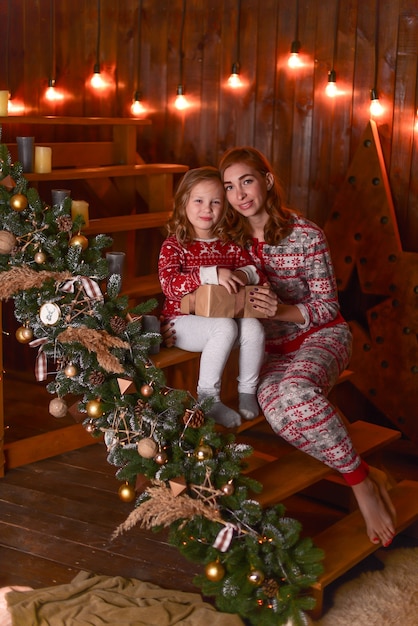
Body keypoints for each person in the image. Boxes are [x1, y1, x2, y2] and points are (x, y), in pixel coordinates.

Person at [217, 146, 396, 548]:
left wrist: (279, 309)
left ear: (266, 179)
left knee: (297, 393)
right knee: (280, 411)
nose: (240, 194)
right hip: (272, 352)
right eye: (229, 187)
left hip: (322, 336)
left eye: (246, 181)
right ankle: (368, 472)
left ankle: (362, 488)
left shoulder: (305, 235)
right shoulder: (232, 243)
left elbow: (328, 307)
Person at [158, 166, 266, 428]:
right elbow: (170, 286)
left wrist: (243, 274)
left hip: (222, 318)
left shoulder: (227, 244)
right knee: (225, 326)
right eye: (199, 200)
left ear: (224, 208)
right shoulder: (175, 245)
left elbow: (258, 274)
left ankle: (247, 391)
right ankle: (208, 398)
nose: (207, 209)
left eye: (215, 202)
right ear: (184, 202)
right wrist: (211, 274)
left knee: (253, 326)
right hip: (181, 322)